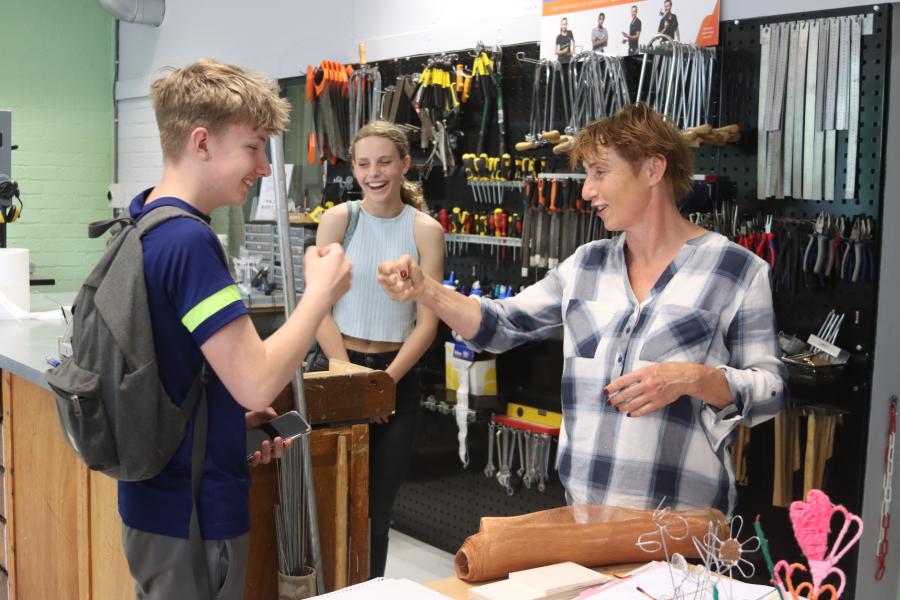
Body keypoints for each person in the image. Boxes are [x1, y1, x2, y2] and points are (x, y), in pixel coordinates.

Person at [377, 103, 786, 517]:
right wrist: (426, 289)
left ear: (652, 170)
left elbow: (771, 389)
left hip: (683, 528)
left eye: (600, 172)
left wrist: (692, 379)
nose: (587, 190)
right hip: (585, 518)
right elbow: (499, 325)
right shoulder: (586, 263)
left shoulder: (736, 270)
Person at [121, 59, 352, 600]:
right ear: (201, 142)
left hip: (165, 505)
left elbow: (181, 371)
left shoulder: (146, 220)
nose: (265, 168)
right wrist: (319, 294)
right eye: (253, 148)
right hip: (193, 517)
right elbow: (254, 380)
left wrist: (225, 422)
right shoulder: (190, 243)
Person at [313, 120, 445, 577]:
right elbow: (320, 310)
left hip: (397, 377)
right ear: (353, 168)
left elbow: (427, 324)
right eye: (365, 163)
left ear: (404, 164)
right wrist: (351, 381)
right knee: (326, 500)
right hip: (337, 367)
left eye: (385, 162)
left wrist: (382, 386)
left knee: (375, 512)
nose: (375, 173)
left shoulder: (426, 229)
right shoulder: (338, 220)